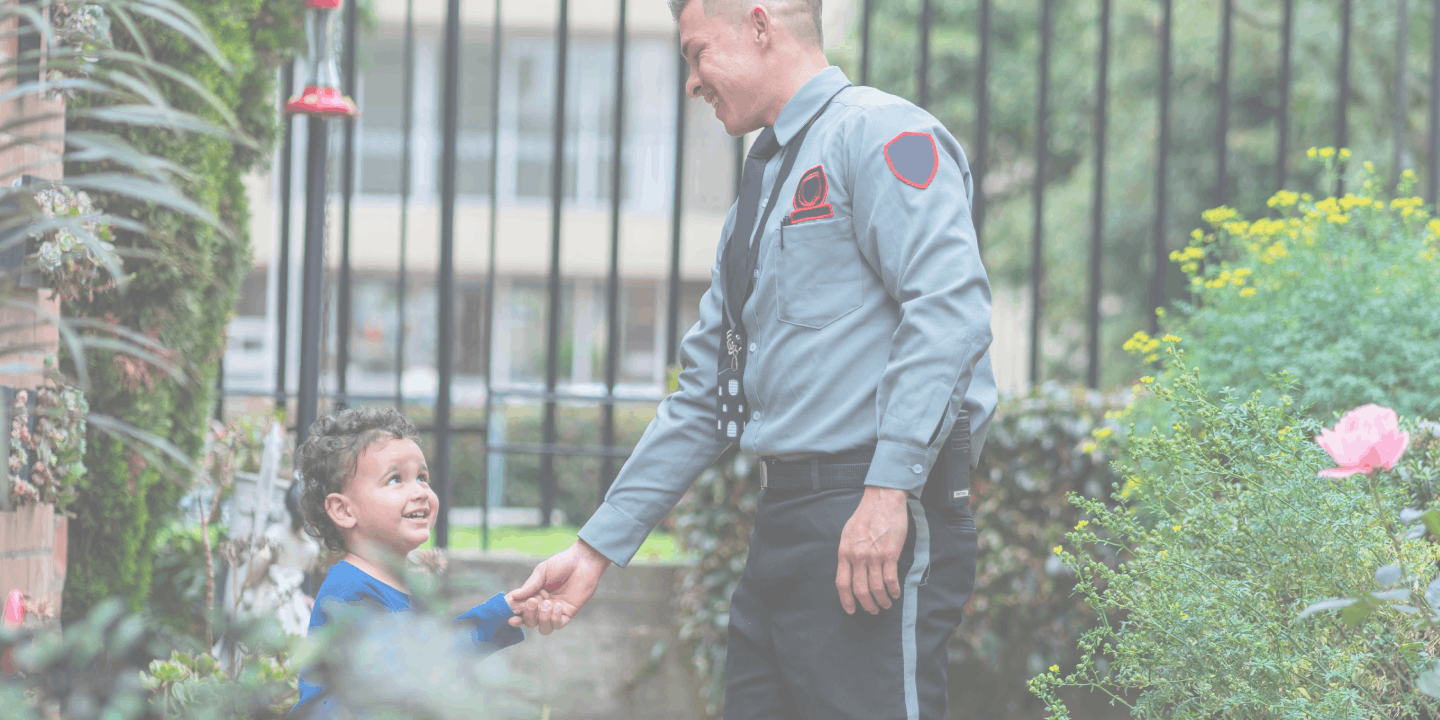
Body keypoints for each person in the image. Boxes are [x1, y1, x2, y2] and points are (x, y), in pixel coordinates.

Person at [510, 1, 997, 718]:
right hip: (785, 523)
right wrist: (593, 552)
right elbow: (705, 393)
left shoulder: (881, 132)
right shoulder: (764, 185)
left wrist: (889, 491)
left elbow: (948, 312)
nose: (692, 81)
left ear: (761, 26)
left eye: (697, 52)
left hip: (869, 512)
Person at [288, 407, 525, 719]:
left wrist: (508, 609)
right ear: (344, 511)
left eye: (422, 477)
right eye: (395, 479)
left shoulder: (397, 583)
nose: (420, 492)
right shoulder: (348, 591)